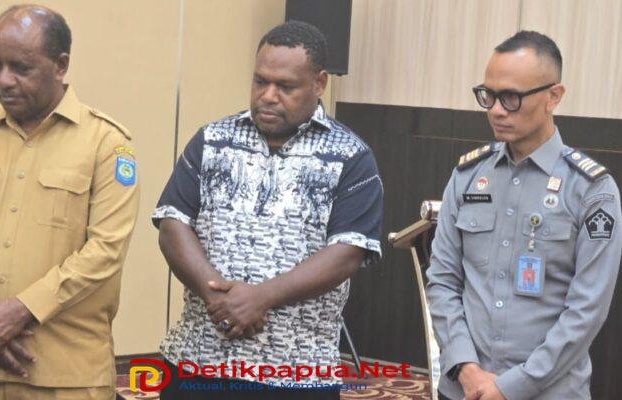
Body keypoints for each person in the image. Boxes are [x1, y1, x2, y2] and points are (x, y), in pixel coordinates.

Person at [152, 21, 383, 400]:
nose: (268, 96)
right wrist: (217, 298)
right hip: (198, 360)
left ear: (319, 83)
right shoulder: (212, 140)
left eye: (285, 86)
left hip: (297, 372)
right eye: (260, 81)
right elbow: (172, 223)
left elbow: (347, 252)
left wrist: (261, 297)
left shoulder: (351, 156)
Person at [0, 5, 139, 400]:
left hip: (67, 375)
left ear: (61, 65)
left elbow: (106, 249)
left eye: (21, 68)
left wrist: (24, 308)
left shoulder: (106, 144)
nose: (4, 80)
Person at [426, 31, 622, 400]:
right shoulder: (468, 175)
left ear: (554, 96)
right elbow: (442, 281)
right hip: (464, 389)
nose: (496, 110)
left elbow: (587, 310)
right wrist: (466, 369)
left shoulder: (591, 190)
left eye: (511, 97)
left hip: (548, 391)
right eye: (488, 95)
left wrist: (510, 387)